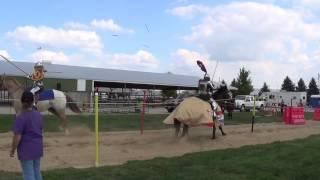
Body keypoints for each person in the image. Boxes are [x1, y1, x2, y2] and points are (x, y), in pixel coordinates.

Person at [10, 91, 44, 180]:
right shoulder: (38, 115)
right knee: (36, 171)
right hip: (37, 148)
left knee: (28, 174)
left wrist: (12, 150)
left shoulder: (20, 117)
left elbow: (17, 137)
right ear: (32, 102)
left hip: (26, 150)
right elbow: (41, 130)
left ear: (22, 102)